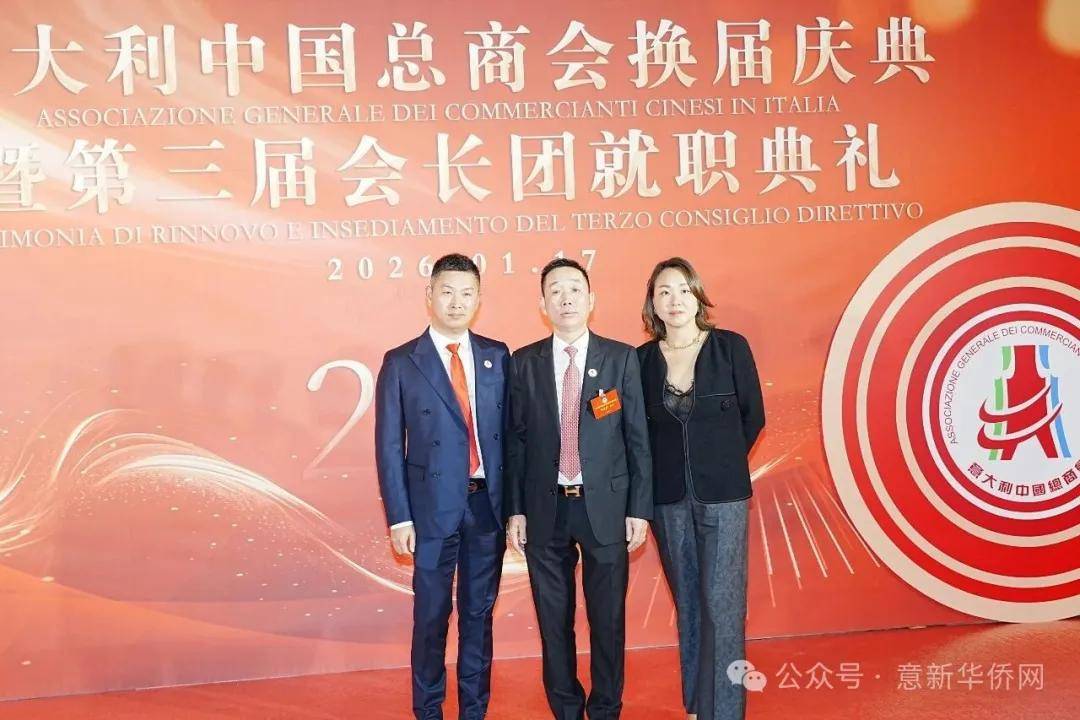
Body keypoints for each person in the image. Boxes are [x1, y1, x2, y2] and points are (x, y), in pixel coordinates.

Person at [504, 258, 653, 720]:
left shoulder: (620, 357)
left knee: (608, 620)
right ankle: (566, 708)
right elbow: (515, 441)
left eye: (574, 289)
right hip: (544, 508)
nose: (565, 298)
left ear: (591, 300)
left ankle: (606, 707)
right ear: (542, 305)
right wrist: (515, 510)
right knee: (554, 620)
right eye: (555, 291)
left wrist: (639, 508)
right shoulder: (523, 362)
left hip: (605, 506)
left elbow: (637, 438)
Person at [375, 253, 509, 720]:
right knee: (431, 617)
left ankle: (474, 711)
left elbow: (512, 437)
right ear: (429, 295)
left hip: (487, 508)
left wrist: (516, 508)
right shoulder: (401, 362)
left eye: (467, 294)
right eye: (447, 292)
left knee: (478, 617)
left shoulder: (497, 356)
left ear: (478, 299)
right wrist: (399, 517)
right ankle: (428, 710)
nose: (457, 302)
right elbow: (388, 446)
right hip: (430, 512)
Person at [636, 258, 765, 720]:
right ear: (653, 303)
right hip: (667, 499)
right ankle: (697, 704)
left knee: (723, 604)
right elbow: (636, 433)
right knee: (689, 601)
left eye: (683, 290)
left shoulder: (730, 348)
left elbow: (753, 416)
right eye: (664, 292)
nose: (675, 301)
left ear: (698, 297)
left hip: (723, 496)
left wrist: (719, 460)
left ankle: (724, 711)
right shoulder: (641, 361)